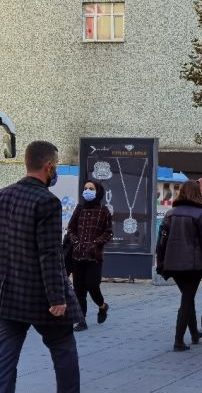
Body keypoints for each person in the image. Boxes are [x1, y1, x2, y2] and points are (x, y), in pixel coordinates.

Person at [0, 141, 82, 392]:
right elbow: (49, 253)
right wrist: (57, 297)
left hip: (8, 294)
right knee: (64, 351)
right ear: (48, 166)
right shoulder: (47, 201)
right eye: (55, 165)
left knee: (5, 359)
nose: (55, 170)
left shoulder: (3, 195)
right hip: (41, 297)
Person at [156, 180, 202, 352]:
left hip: (173, 264)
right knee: (187, 299)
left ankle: (194, 334)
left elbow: (161, 242)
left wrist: (160, 263)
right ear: (197, 194)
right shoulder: (200, 214)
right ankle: (178, 340)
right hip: (193, 266)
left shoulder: (170, 214)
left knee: (187, 296)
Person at [66, 179, 113, 332]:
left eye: (91, 188)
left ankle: (102, 306)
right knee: (79, 289)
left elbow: (109, 232)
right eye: (85, 188)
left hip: (94, 256)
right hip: (77, 256)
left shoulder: (104, 211)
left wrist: (96, 243)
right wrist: (76, 242)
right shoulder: (79, 208)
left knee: (92, 285)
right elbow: (71, 229)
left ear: (97, 191)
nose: (87, 191)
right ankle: (81, 320)